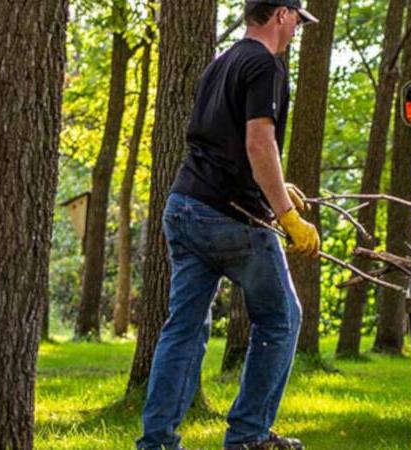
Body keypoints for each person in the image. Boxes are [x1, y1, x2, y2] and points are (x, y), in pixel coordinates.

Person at [136, 1, 321, 449]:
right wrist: (286, 215)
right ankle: (248, 437)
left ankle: (157, 442)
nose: (298, 27)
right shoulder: (265, 65)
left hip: (184, 205)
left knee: (183, 327)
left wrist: (278, 185)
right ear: (281, 14)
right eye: (297, 17)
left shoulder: (221, 63)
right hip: (230, 215)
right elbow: (259, 143)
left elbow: (226, 143)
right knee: (281, 319)